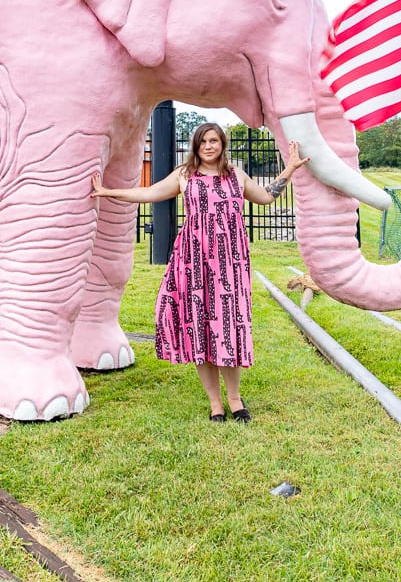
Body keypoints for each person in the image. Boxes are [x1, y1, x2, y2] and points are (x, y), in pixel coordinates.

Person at [92, 123, 309, 423]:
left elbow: (267, 196)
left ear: (222, 144)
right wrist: (108, 191)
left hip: (230, 266)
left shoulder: (236, 176)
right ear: (195, 146)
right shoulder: (185, 175)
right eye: (203, 141)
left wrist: (290, 169)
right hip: (192, 262)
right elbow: (150, 193)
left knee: (228, 329)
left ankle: (235, 400)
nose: (208, 146)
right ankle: (215, 404)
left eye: (214, 141)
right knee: (200, 330)